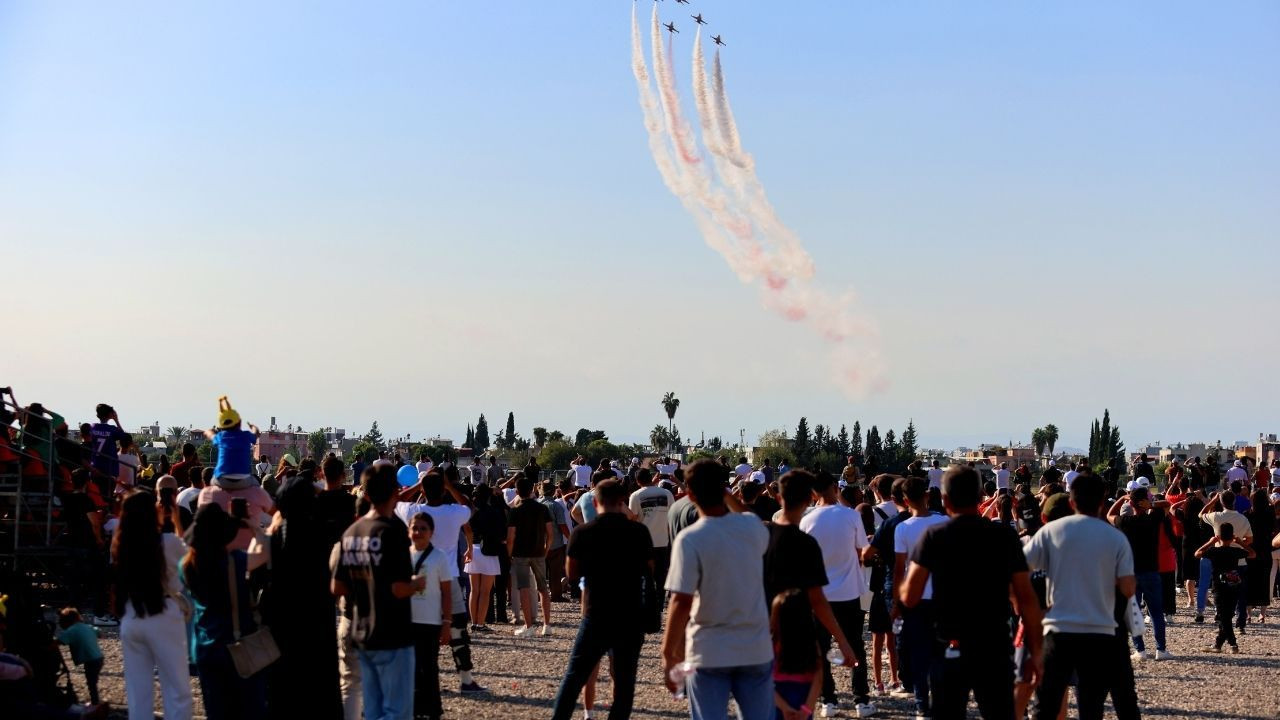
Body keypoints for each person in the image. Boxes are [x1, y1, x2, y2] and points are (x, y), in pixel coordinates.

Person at [900, 466, 1043, 720]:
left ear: (944, 500)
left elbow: (910, 596)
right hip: (994, 643)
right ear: (980, 497)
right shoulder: (1004, 537)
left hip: (950, 643)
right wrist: (1036, 651)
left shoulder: (934, 536)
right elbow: (1026, 597)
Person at [663, 460, 773, 720]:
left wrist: (668, 654)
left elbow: (680, 601)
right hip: (755, 646)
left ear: (690, 495)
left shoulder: (691, 539)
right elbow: (747, 514)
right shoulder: (752, 529)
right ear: (724, 489)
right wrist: (727, 494)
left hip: (710, 648)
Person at [1024, 474, 1136, 720]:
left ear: (1072, 502)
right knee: (1091, 704)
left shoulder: (1050, 532)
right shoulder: (1115, 538)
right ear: (1101, 504)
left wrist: (1030, 607)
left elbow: (1020, 570)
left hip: (1059, 628)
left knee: (1046, 704)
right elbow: (1128, 588)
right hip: (1100, 630)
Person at [551, 479, 653, 720]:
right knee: (625, 681)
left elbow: (572, 573)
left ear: (595, 502)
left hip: (597, 612)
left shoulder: (583, 533)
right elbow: (649, 568)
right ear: (622, 502)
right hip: (630, 613)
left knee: (575, 676)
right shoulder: (638, 532)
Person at [331, 465, 425, 720]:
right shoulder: (392, 531)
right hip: (393, 632)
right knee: (397, 711)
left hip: (361, 631)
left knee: (372, 709)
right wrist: (417, 584)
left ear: (367, 494)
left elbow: (337, 587)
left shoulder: (351, 533)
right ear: (396, 492)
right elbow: (398, 588)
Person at [257, 476, 341, 719]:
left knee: (282, 698)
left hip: (281, 630)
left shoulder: (273, 540)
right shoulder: (323, 534)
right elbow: (330, 503)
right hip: (317, 629)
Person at [396, 470, 485, 694]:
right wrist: (451, 487)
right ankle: (466, 679)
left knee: (425, 632)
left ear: (424, 490)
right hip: (450, 577)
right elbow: (469, 507)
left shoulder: (415, 512)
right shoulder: (453, 512)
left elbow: (396, 500)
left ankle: (427, 680)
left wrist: (418, 485)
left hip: (423, 578)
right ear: (444, 489)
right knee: (458, 631)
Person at [796, 470, 871, 718]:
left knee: (821, 648)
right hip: (849, 591)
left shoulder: (807, 519)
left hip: (819, 594)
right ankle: (861, 699)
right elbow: (862, 549)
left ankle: (829, 699)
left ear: (814, 492)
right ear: (834, 488)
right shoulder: (851, 515)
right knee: (855, 645)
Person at [180, 503, 266, 720]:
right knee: (248, 710)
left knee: (216, 711)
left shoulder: (186, 565)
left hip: (204, 645)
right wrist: (254, 527)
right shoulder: (233, 561)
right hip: (235, 644)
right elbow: (263, 552)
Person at [113, 490, 193, 720]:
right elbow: (190, 558)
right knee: (177, 690)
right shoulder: (168, 542)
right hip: (163, 614)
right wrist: (177, 520)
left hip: (131, 615)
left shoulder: (121, 543)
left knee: (138, 693)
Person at [890, 475, 948, 718]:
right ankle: (941, 700)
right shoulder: (944, 522)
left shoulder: (902, 528)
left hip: (914, 597)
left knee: (918, 653)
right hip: (941, 596)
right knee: (940, 652)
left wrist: (896, 602)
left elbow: (899, 569)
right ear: (927, 495)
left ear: (904, 500)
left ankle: (922, 704)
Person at [1107, 487, 1173, 660]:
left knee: (1134, 612)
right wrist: (1151, 504)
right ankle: (1161, 649)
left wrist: (1122, 499)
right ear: (1144, 502)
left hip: (1131, 573)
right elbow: (1168, 503)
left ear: (1131, 504)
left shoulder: (1125, 521)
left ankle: (1140, 650)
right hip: (1151, 571)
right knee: (1156, 612)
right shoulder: (1154, 518)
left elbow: (1109, 514)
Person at [861, 477, 908, 698]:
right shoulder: (908, 516)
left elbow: (867, 552)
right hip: (905, 577)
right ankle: (897, 677)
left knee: (877, 637)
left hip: (881, 581)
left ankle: (879, 682)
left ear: (877, 491)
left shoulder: (875, 514)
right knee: (894, 636)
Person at [408, 512, 452, 720]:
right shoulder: (404, 555)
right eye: (415, 528)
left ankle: (433, 709)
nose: (418, 532)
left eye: (423, 528)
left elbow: (446, 592)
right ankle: (415, 709)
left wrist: (446, 622)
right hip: (408, 620)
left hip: (431, 620)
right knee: (411, 668)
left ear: (431, 532)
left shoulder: (439, 557)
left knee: (429, 667)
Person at [1194, 522, 1253, 653]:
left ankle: (1233, 644)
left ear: (1218, 537)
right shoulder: (1236, 551)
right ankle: (1218, 644)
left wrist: (1210, 542)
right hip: (1234, 585)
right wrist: (1240, 542)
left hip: (1219, 587)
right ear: (1232, 537)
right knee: (1227, 615)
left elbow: (1197, 553)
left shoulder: (1214, 551)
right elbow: (1253, 554)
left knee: (1223, 616)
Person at [508, 475, 554, 637]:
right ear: (533, 490)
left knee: (524, 588)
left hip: (520, 553)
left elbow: (511, 536)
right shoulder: (543, 509)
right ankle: (546, 625)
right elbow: (550, 533)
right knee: (543, 588)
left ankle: (529, 626)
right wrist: (546, 549)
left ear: (517, 491)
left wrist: (509, 554)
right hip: (538, 552)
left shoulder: (515, 511)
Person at [770, 590, 823, 720]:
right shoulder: (811, 644)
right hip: (803, 700)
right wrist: (806, 710)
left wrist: (784, 708)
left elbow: (765, 682)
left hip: (777, 704)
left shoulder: (772, 644)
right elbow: (818, 678)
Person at [464, 484, 506, 631]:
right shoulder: (493, 512)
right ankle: (480, 623)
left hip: (473, 549)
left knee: (474, 591)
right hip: (489, 551)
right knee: (485, 591)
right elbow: (501, 533)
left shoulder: (471, 511)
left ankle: (474, 623)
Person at [629, 468, 675, 586]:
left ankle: (648, 602)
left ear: (638, 481)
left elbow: (632, 518)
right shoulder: (667, 493)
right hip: (663, 541)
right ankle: (660, 601)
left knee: (646, 575)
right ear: (651, 478)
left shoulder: (635, 495)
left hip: (643, 542)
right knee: (661, 576)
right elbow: (673, 514)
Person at [201, 397, 260, 487]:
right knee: (257, 485)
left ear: (222, 426)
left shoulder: (220, 437)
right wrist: (253, 426)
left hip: (222, 479)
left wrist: (209, 431)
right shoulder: (246, 435)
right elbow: (256, 433)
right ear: (239, 422)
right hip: (244, 478)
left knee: (210, 485)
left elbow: (209, 434)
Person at [56, 608, 104, 706]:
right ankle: (95, 701)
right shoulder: (87, 626)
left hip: (90, 660)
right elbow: (99, 632)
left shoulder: (71, 631)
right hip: (99, 658)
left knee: (91, 683)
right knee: (92, 681)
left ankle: (95, 703)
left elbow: (57, 642)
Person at [1243, 490, 1274, 623]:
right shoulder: (1270, 513)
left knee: (1249, 582)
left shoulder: (1247, 514)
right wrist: (1268, 496)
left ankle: (1248, 614)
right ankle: (1262, 614)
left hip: (1250, 550)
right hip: (1266, 550)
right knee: (1264, 581)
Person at [540, 481, 573, 602]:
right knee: (555, 572)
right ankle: (556, 595)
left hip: (539, 544)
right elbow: (562, 526)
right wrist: (570, 538)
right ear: (554, 491)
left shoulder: (537, 504)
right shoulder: (556, 506)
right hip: (555, 544)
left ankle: (540, 595)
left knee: (540, 572)